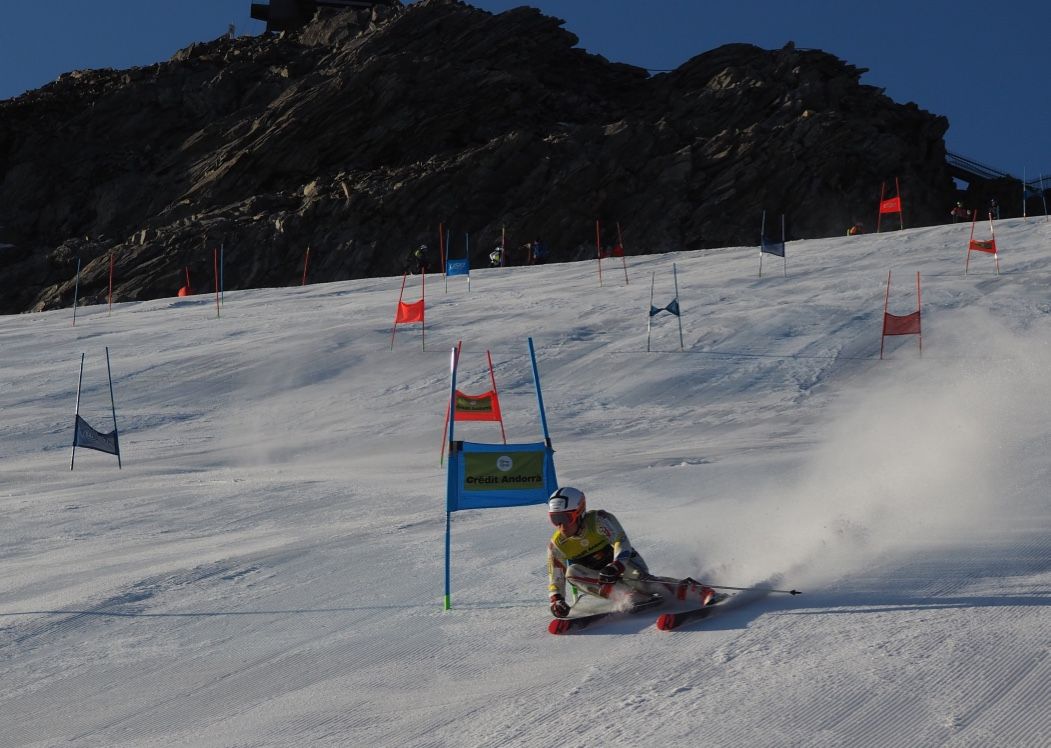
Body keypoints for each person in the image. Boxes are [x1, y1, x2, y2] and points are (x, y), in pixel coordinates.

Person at [545, 486, 715, 618]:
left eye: (565, 518)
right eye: (555, 519)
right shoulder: (557, 544)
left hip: (624, 565)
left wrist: (615, 566)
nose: (561, 526)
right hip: (601, 579)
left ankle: (699, 592)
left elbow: (622, 543)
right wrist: (557, 600)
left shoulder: (599, 520)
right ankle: (632, 598)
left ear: (579, 512)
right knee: (571, 573)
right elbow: (556, 577)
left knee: (644, 583)